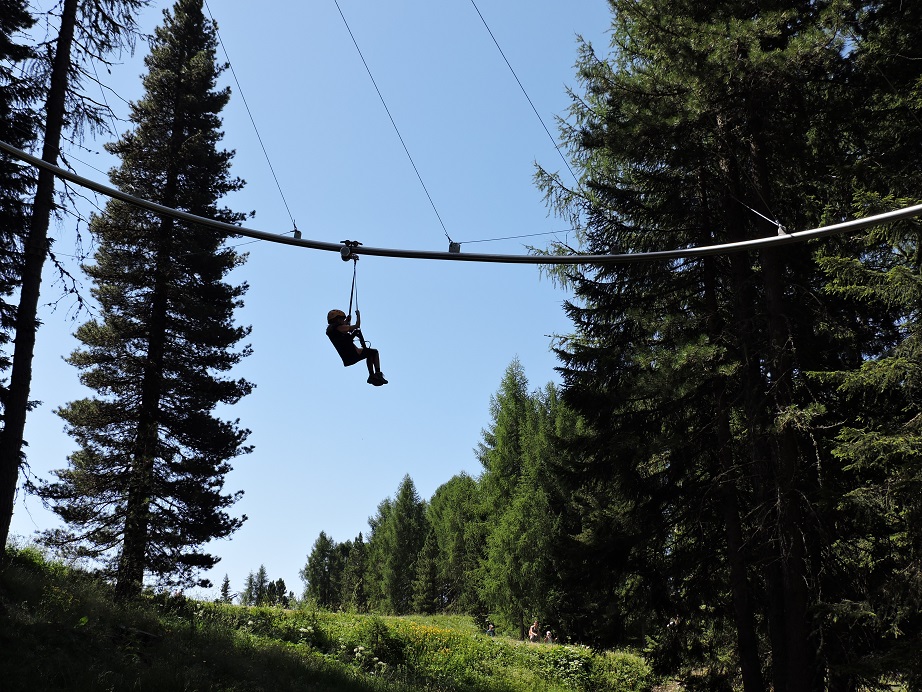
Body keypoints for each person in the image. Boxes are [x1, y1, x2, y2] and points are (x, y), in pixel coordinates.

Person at [326, 309, 387, 386]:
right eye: (342, 319)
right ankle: (376, 374)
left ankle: (372, 375)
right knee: (374, 352)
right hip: (352, 354)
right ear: (338, 320)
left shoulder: (333, 331)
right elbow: (356, 326)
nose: (343, 321)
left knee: (369, 353)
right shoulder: (340, 328)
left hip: (348, 356)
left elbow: (346, 331)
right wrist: (358, 315)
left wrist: (347, 320)